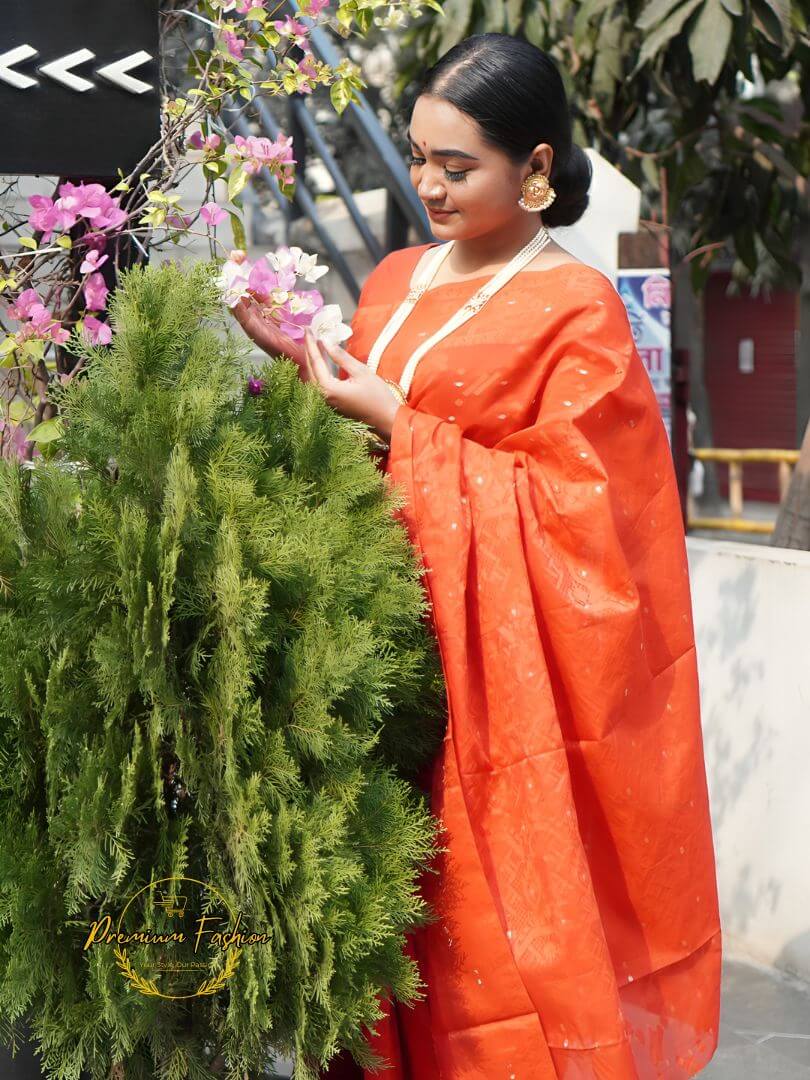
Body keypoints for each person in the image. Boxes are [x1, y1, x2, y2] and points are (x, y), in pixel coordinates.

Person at [234, 32, 722, 1080]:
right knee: (366, 954)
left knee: (482, 959)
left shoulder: (579, 311)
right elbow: (375, 452)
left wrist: (397, 417)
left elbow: (589, 522)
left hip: (494, 700)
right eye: (418, 157)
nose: (427, 185)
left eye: (458, 166)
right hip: (371, 668)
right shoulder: (398, 278)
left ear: (536, 170)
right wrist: (313, 378)